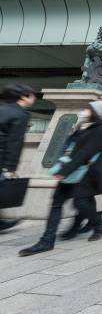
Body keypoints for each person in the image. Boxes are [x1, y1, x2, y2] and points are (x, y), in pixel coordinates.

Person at [19, 100, 102, 256]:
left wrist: (65, 170)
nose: (84, 111)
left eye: (88, 109)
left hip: (85, 172)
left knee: (81, 202)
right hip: (71, 169)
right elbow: (72, 146)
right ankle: (47, 241)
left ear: (96, 112)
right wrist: (77, 128)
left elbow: (86, 152)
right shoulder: (86, 126)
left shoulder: (101, 129)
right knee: (56, 202)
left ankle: (99, 223)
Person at [60, 94, 102, 240]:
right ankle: (92, 223)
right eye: (98, 99)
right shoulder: (90, 115)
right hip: (84, 161)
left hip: (99, 161)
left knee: (81, 197)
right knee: (85, 196)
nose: (99, 102)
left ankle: (90, 224)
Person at [0, 84, 36, 232]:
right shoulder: (20, 114)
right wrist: (10, 167)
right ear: (24, 97)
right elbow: (15, 142)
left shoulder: (2, 108)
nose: (34, 98)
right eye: (32, 95)